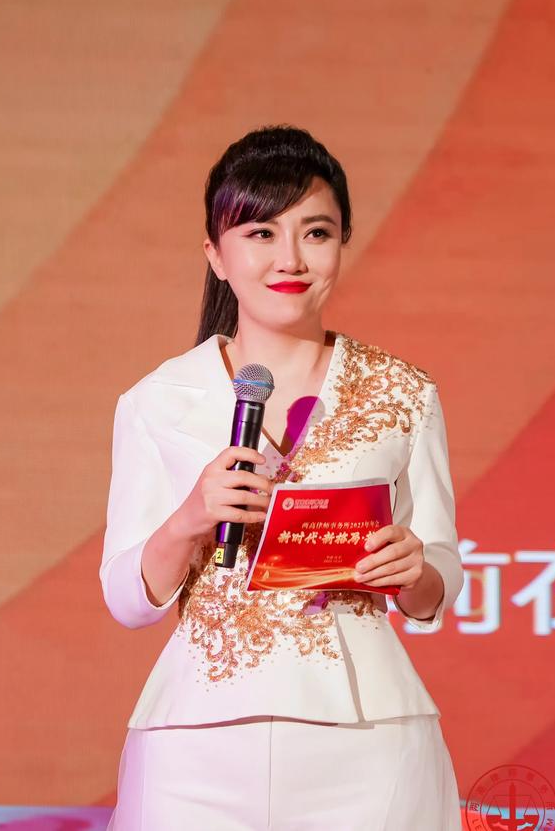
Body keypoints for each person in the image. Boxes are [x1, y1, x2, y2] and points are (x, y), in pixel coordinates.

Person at [100, 126, 463, 829]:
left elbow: (438, 576)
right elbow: (127, 599)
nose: (290, 258)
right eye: (261, 234)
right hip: (197, 743)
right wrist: (189, 518)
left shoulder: (404, 392)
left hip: (369, 739)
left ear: (343, 242)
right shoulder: (159, 399)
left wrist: (414, 571)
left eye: (315, 233)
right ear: (216, 254)